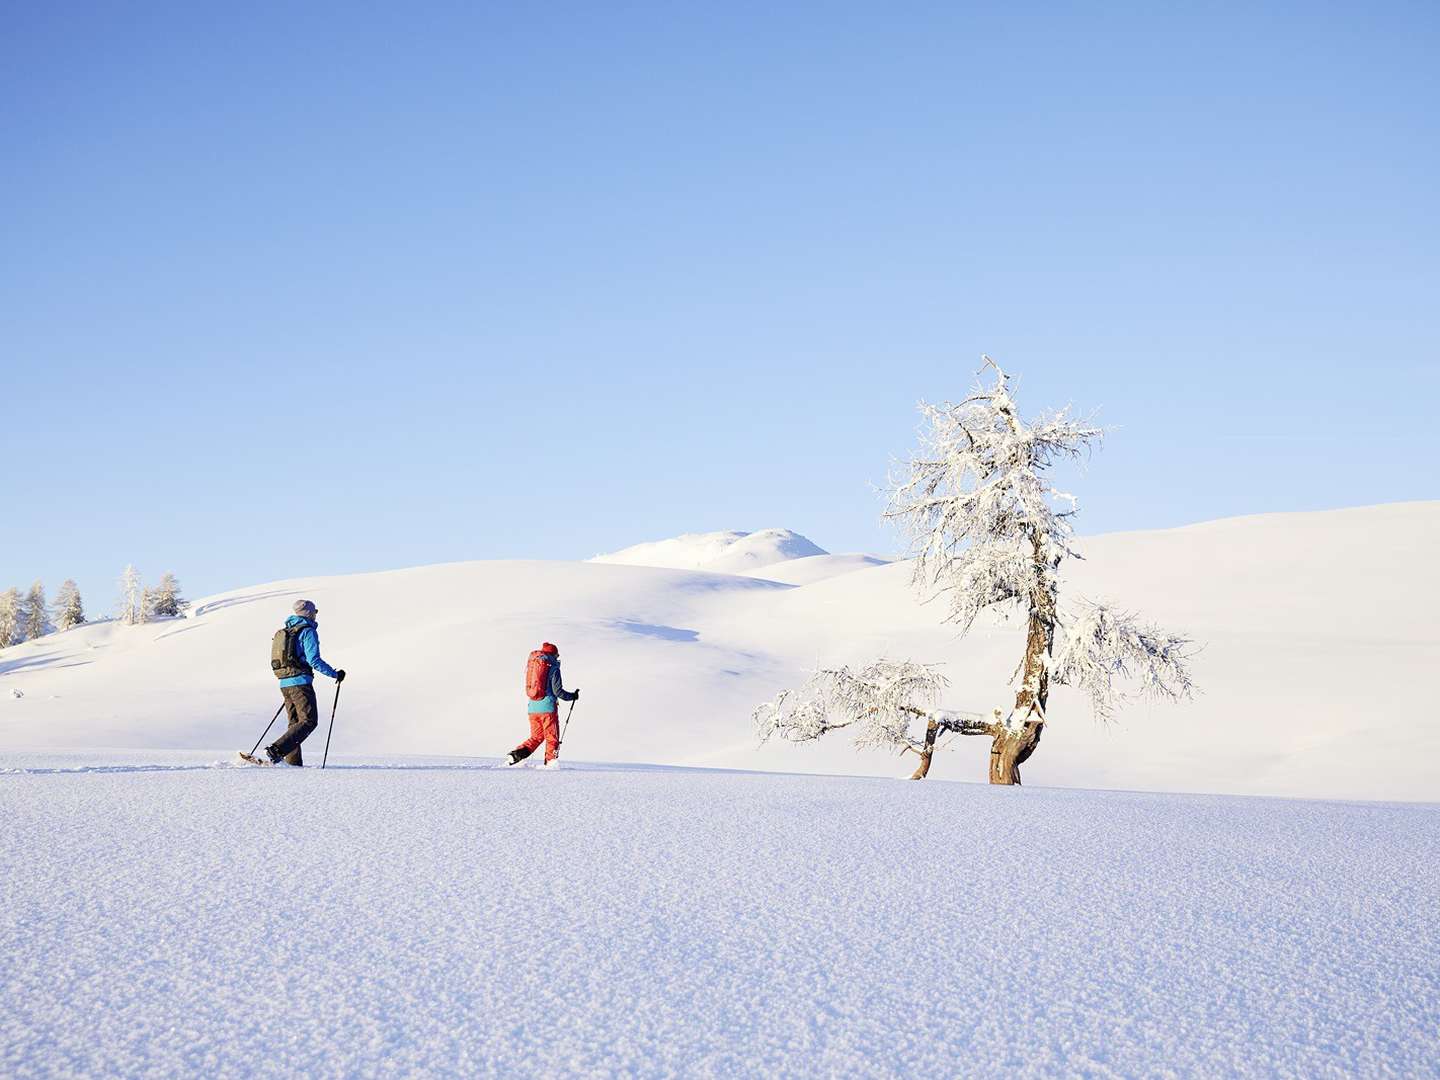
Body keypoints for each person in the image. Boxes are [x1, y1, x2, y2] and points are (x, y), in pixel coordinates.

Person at [267, 599, 345, 766]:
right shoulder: (307, 631)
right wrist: (335, 674)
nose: (316, 615)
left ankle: (293, 763)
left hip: (285, 683)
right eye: (315, 612)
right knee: (309, 721)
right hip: (300, 682)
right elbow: (314, 660)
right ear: (309, 613)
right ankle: (277, 749)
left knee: (295, 723)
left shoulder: (287, 630)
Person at [507, 641, 578, 766]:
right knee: (552, 738)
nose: (558, 658)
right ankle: (550, 766)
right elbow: (558, 691)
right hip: (548, 709)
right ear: (554, 654)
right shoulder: (553, 667)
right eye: (557, 655)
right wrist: (572, 696)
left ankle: (516, 755)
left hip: (533, 708)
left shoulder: (534, 665)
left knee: (536, 737)